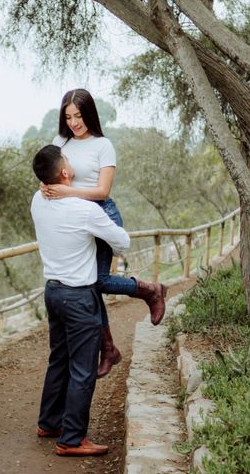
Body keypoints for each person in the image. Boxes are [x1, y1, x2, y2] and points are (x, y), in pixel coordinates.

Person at [40, 88, 167, 378]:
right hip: (74, 222)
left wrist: (66, 191)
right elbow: (50, 172)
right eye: (68, 116)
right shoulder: (60, 142)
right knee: (87, 284)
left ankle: (150, 290)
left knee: (98, 280)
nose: (74, 122)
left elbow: (102, 191)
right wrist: (45, 187)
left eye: (79, 116)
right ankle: (108, 348)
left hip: (100, 214)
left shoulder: (103, 145)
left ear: (90, 114)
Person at [31, 145, 130, 456]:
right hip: (78, 297)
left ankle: (49, 422)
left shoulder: (37, 200)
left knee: (58, 359)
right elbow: (123, 243)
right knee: (83, 368)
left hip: (53, 292)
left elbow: (50, 193)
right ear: (64, 173)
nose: (71, 162)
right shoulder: (85, 210)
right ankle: (71, 439)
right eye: (68, 160)